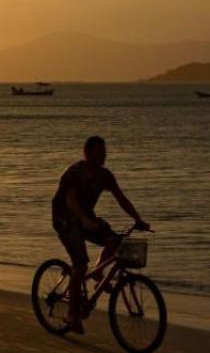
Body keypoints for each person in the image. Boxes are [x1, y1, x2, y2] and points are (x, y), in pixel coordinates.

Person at [51, 135, 149, 334]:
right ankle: (72, 316)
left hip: (87, 218)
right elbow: (71, 202)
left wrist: (138, 219)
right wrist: (85, 221)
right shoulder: (74, 173)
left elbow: (121, 198)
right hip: (65, 219)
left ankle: (97, 273)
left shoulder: (105, 175)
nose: (104, 154)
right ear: (87, 153)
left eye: (105, 151)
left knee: (116, 241)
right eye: (99, 151)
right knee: (79, 266)